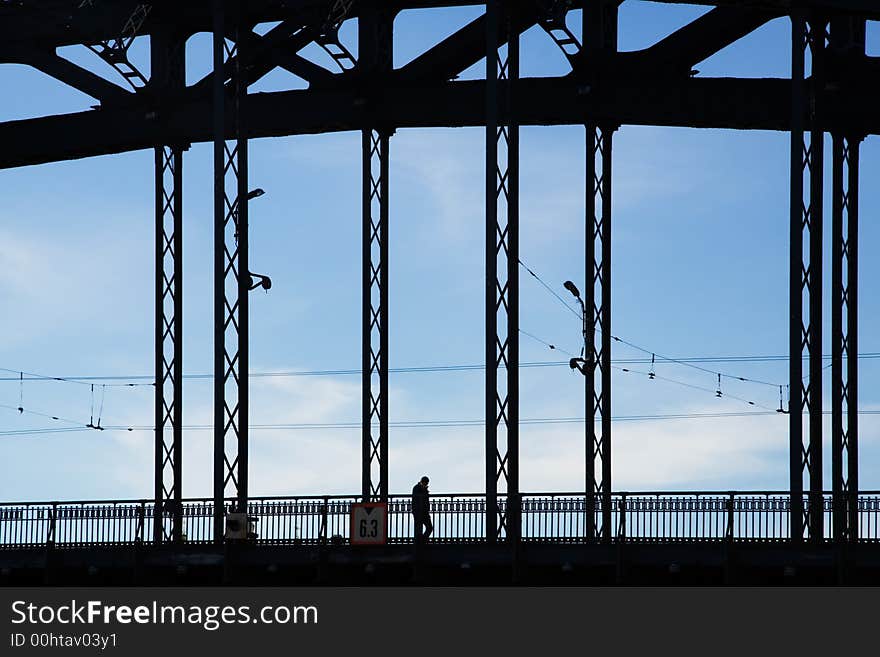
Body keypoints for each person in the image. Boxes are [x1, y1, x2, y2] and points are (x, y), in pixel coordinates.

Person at [411, 476, 433, 543]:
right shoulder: (417, 488)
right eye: (425, 483)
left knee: (429, 528)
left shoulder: (419, 488)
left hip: (423, 512)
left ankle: (421, 541)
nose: (426, 485)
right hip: (419, 512)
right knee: (421, 529)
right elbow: (417, 499)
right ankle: (421, 542)